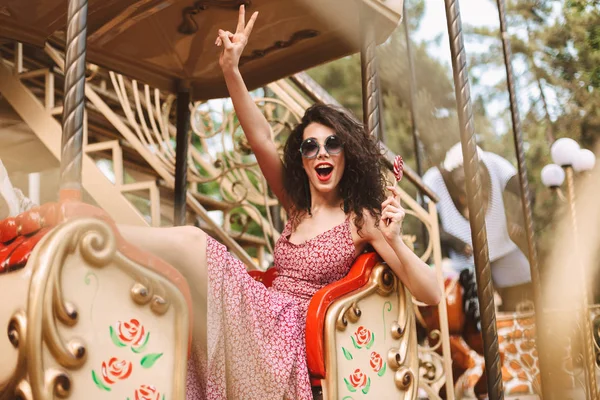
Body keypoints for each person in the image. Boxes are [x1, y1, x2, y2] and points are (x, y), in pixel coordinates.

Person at [0, 7, 440, 399]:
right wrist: (232, 68)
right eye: (309, 148)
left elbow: (430, 292)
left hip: (286, 342)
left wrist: (396, 242)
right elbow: (261, 137)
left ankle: (82, 228)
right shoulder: (297, 205)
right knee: (171, 294)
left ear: (347, 154)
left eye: (332, 144)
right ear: (301, 161)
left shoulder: (359, 219)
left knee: (195, 241)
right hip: (261, 317)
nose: (321, 153)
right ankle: (83, 241)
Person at [423, 143, 532, 313]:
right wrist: (456, 243)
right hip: (463, 261)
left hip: (502, 247)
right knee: (459, 303)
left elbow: (526, 193)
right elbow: (427, 223)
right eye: (462, 181)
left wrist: (518, 222)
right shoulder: (433, 180)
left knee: (523, 294)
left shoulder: (495, 164)